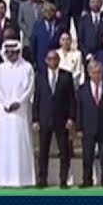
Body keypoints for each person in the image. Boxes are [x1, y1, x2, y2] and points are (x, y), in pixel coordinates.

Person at [0, 40, 35, 188]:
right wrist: (5, 103)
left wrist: (19, 102)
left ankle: (24, 179)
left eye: (14, 52)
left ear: (19, 52)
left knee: (21, 142)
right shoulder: (0, 69)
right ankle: (3, 179)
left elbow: (29, 88)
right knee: (4, 144)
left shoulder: (27, 68)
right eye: (8, 52)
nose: (11, 55)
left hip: (21, 112)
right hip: (5, 113)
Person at [33, 49, 76, 188]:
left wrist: (71, 118)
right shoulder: (40, 77)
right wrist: (35, 119)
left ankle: (63, 180)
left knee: (64, 151)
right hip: (45, 118)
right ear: (46, 61)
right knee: (43, 151)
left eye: (55, 59)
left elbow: (72, 99)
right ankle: (42, 179)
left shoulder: (67, 76)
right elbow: (37, 99)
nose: (53, 61)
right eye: (50, 59)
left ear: (58, 60)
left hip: (61, 119)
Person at [76, 60, 103, 188]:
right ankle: (87, 180)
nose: (97, 75)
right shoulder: (82, 89)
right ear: (89, 73)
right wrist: (79, 128)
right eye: (94, 72)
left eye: (99, 72)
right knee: (87, 156)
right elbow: (79, 110)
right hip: (88, 127)